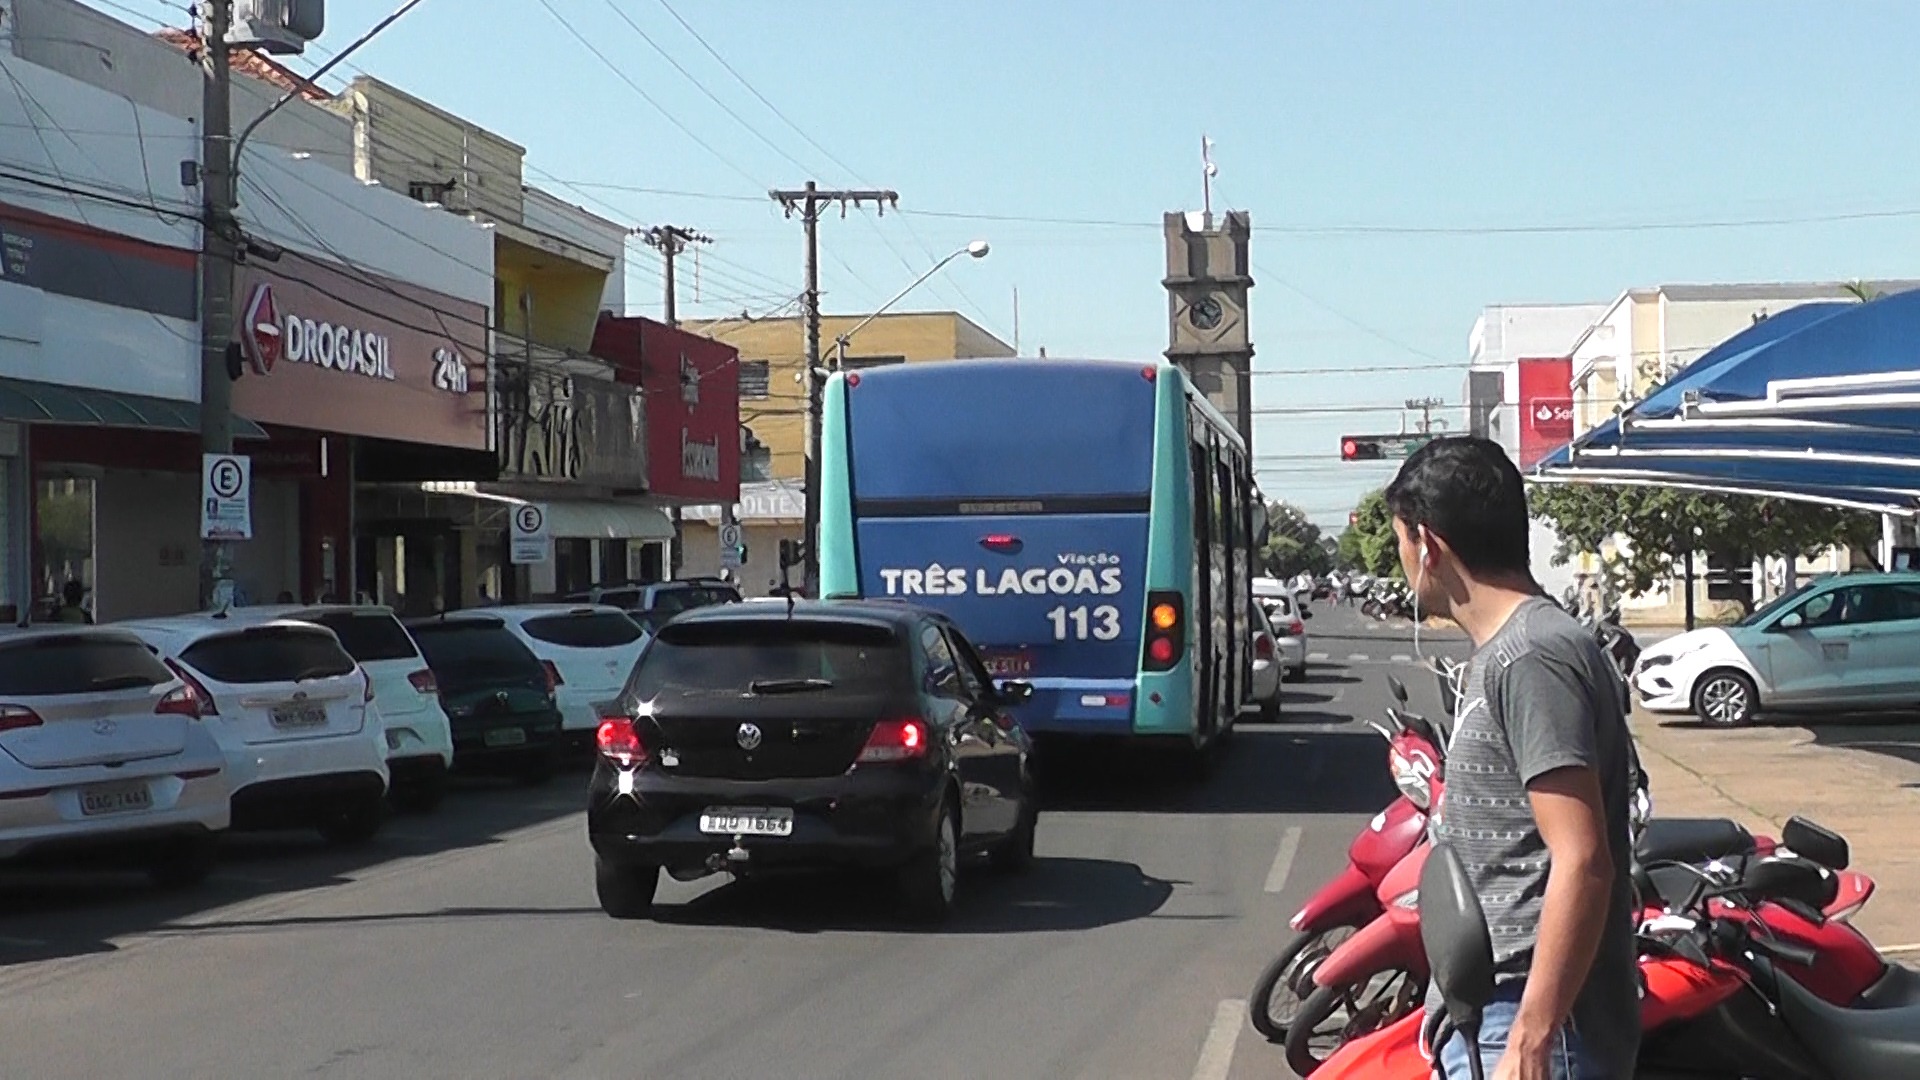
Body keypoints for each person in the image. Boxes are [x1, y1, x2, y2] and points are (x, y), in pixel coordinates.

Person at [1384, 437, 1637, 1080]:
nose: (1403, 566)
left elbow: (1583, 858)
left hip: (1529, 1022)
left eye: (1400, 546)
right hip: (1493, 1014)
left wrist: (1530, 1038)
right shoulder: (1503, 652)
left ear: (1428, 544)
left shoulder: (1532, 657)